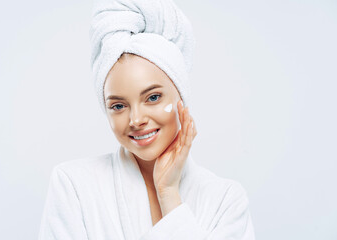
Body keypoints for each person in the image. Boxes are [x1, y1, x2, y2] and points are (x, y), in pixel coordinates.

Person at [38, 0, 256, 239]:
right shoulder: (74, 185)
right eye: (118, 105)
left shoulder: (225, 200)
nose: (136, 119)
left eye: (152, 97)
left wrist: (169, 193)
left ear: (181, 96)